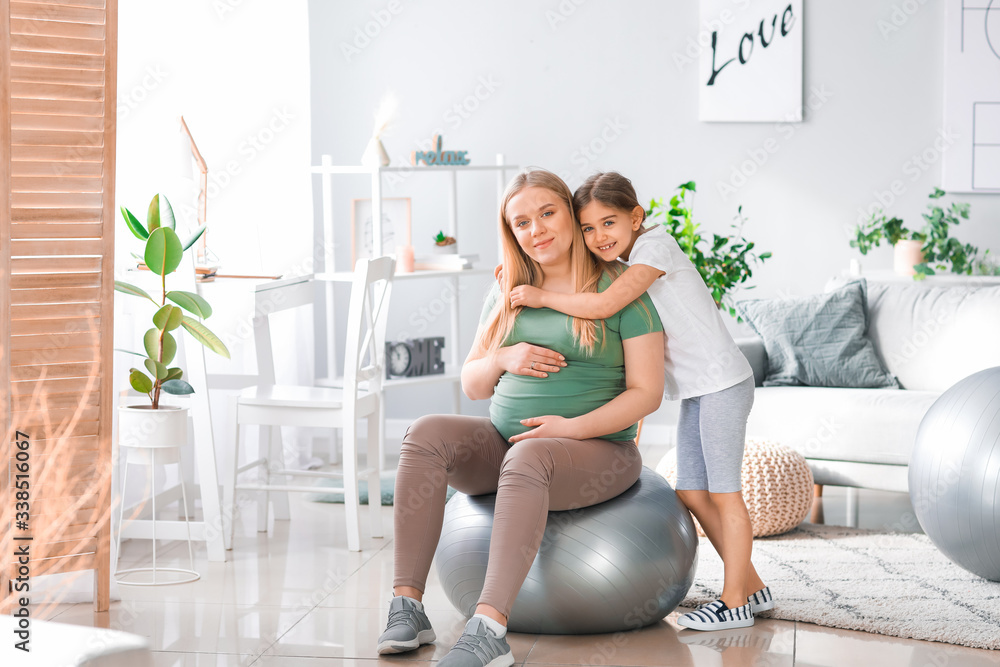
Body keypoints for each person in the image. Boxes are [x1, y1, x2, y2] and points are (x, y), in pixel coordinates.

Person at [377, 169, 665, 666]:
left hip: (601, 453)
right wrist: (502, 359)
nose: (537, 230)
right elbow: (472, 383)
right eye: (522, 223)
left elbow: (648, 393)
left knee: (530, 456)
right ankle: (408, 605)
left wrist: (569, 428)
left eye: (547, 213)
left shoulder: (618, 290)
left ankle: (489, 630)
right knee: (425, 434)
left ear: (572, 217)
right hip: (507, 444)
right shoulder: (512, 289)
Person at [509, 171, 771, 631]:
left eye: (609, 223)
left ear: (636, 216)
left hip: (723, 384)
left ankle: (735, 604)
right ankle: (751, 586)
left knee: (726, 494)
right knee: (691, 491)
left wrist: (538, 295)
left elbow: (606, 305)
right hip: (698, 390)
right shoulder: (627, 259)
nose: (598, 237)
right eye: (588, 228)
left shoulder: (654, 249)